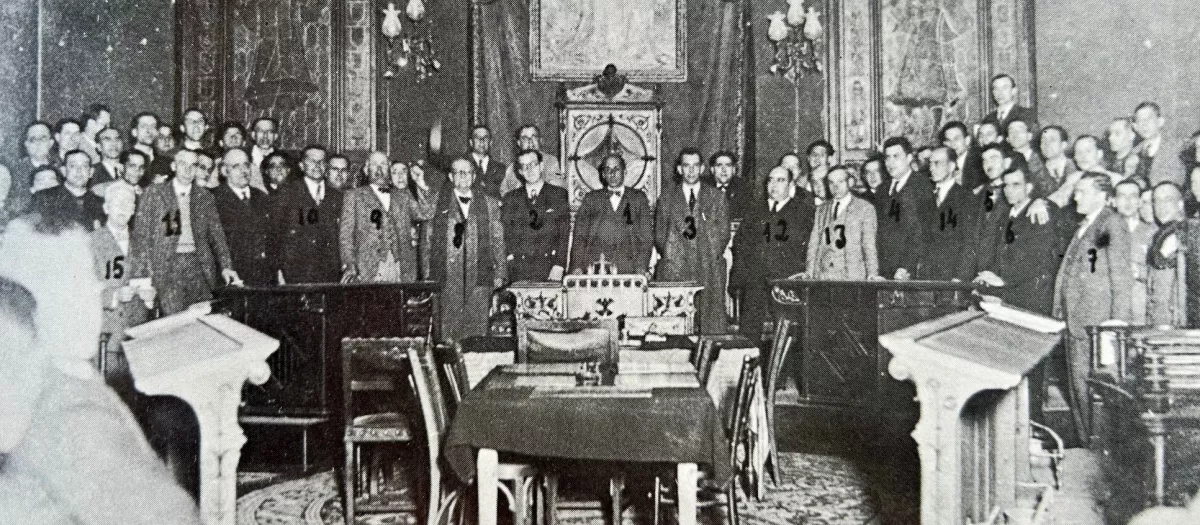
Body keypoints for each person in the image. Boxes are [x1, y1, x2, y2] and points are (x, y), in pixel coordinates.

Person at [0, 216, 201, 525]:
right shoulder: (70, 416)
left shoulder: (58, 378)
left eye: (89, 276)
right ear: (25, 306)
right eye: (73, 281)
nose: (95, 290)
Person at [1053, 173, 1132, 444]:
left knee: (1095, 398)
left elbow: (1120, 279)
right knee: (1079, 393)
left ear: (1101, 195)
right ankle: (1087, 447)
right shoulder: (1085, 225)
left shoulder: (1110, 223)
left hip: (1096, 328)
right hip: (1076, 324)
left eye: (1082, 192)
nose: (1075, 197)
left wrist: (1115, 328)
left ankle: (1097, 452)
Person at [130, 149, 240, 314]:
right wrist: (142, 275)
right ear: (174, 166)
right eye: (183, 164)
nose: (188, 169)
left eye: (193, 165)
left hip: (198, 266)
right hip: (167, 267)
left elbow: (217, 235)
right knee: (174, 320)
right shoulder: (154, 193)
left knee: (202, 317)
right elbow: (141, 235)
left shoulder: (205, 197)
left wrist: (226, 266)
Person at [426, 158, 506, 341]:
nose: (463, 176)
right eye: (458, 172)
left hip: (479, 276)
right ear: (450, 177)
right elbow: (427, 241)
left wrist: (500, 272)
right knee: (447, 333)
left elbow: (498, 240)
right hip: (447, 276)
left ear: (474, 176)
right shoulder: (437, 202)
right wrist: (427, 275)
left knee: (477, 332)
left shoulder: (490, 203)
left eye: (467, 172)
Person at [730, 165, 814, 337]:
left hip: (786, 280)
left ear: (791, 185)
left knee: (786, 330)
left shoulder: (802, 211)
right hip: (755, 279)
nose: (774, 185)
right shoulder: (755, 210)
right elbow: (740, 243)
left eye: (780, 180)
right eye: (770, 180)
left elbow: (807, 247)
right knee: (750, 328)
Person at [654, 148, 730, 333]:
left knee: (709, 324)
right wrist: (673, 253)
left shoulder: (717, 197)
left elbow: (723, 233)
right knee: (676, 325)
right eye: (686, 166)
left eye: (695, 166)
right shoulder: (667, 198)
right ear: (679, 169)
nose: (691, 170)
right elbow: (660, 235)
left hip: (708, 268)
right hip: (676, 267)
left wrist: (709, 253)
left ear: (702, 168)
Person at [90, 182, 152, 393]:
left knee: (137, 396)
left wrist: (151, 296)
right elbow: (81, 291)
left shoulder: (143, 241)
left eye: (128, 203)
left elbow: (153, 279)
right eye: (118, 203)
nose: (123, 208)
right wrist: (114, 295)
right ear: (106, 208)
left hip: (138, 332)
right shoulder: (91, 242)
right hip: (106, 335)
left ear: (134, 210)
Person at [973, 166, 1060, 314]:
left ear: (1029, 187)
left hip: (1030, 297)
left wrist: (1004, 280)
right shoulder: (1005, 214)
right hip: (1007, 293)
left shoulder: (1038, 212)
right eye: (1006, 185)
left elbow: (1039, 260)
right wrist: (987, 277)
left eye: (1016, 184)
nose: (1009, 190)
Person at [339, 151, 434, 283]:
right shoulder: (354, 196)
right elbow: (346, 236)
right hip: (368, 269)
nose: (379, 169)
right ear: (366, 169)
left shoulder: (403, 196)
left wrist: (421, 183)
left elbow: (426, 213)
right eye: (374, 164)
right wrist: (350, 265)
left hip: (401, 269)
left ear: (389, 168)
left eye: (383, 164)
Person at [570, 153, 653, 275]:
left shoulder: (638, 198)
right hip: (596, 268)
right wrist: (577, 267)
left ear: (625, 172)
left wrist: (641, 267)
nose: (612, 173)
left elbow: (647, 238)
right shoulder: (591, 199)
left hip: (629, 270)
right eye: (608, 169)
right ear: (603, 174)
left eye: (616, 169)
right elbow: (580, 236)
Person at [270, 145, 343, 284]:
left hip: (330, 274)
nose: (317, 165)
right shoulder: (286, 193)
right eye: (312, 161)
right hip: (295, 273)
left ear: (326, 166)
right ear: (302, 165)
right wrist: (277, 270)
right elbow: (275, 234)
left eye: (321, 161)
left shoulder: (337, 197)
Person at [502, 149, 570, 282]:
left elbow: (564, 233)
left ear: (541, 166)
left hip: (550, 267)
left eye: (533, 164)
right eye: (524, 166)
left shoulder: (558, 194)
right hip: (519, 269)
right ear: (519, 171)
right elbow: (507, 234)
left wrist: (559, 265)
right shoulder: (510, 198)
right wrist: (510, 261)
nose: (530, 170)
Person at [212, 149, 273, 286]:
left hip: (264, 277)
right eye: (236, 166)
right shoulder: (213, 199)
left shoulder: (262, 197)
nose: (243, 171)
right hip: (231, 277)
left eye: (246, 165)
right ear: (224, 171)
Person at [805, 166, 878, 280]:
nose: (836, 187)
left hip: (853, 277)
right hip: (824, 276)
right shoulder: (821, 209)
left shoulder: (865, 208)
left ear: (849, 182)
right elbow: (813, 244)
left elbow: (869, 246)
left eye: (840, 181)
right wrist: (809, 273)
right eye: (831, 183)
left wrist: (872, 273)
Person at [876, 137, 934, 280]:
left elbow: (922, 232)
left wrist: (906, 266)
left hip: (910, 270)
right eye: (887, 157)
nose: (890, 163)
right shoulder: (882, 189)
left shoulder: (922, 186)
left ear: (909, 158)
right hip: (885, 268)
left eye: (896, 156)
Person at [917, 146, 976, 281]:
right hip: (927, 277)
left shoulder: (966, 197)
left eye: (937, 163)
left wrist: (961, 277)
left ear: (951, 166)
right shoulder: (926, 197)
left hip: (952, 277)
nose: (931, 168)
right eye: (930, 163)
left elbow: (969, 241)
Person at [1113, 178, 1156, 324]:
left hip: (1141, 305)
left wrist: (1139, 272)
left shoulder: (1152, 233)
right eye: (1122, 196)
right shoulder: (1103, 233)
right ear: (1113, 201)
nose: (1128, 201)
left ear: (1139, 202)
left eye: (1133, 196)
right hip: (1112, 304)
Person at [1146, 182, 1188, 326]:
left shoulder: (1184, 235)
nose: (1160, 206)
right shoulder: (1162, 234)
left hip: (1176, 323)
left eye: (1168, 200)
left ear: (1180, 204)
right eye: (1156, 201)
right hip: (1161, 320)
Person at [32, 149, 105, 231]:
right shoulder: (44, 198)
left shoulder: (101, 204)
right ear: (63, 171)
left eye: (84, 166)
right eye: (73, 166)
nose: (79, 171)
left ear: (91, 172)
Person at [500, 125, 565, 195]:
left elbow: (558, 189)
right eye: (525, 138)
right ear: (518, 143)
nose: (530, 141)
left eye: (534, 137)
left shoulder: (551, 162)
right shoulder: (512, 168)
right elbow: (504, 193)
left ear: (540, 140)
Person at [707, 151, 753, 221]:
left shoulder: (744, 188)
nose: (724, 170)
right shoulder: (703, 187)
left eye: (728, 165)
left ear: (734, 170)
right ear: (712, 169)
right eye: (719, 165)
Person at [941, 120, 983, 189]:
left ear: (967, 140)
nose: (952, 144)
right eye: (948, 140)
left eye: (956, 139)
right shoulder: (942, 164)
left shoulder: (979, 161)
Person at [1107, 117, 1144, 181]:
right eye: (1110, 133)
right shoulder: (1109, 160)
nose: (1110, 138)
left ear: (1131, 136)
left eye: (1117, 133)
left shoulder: (1134, 161)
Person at [249, 117, 280, 192]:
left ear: (275, 136)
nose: (265, 135)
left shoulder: (285, 159)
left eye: (270, 132)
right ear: (253, 135)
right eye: (260, 131)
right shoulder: (243, 156)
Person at [90, 127, 125, 193]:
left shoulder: (130, 169)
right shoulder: (92, 172)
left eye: (117, 139)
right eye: (108, 139)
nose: (114, 144)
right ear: (99, 147)